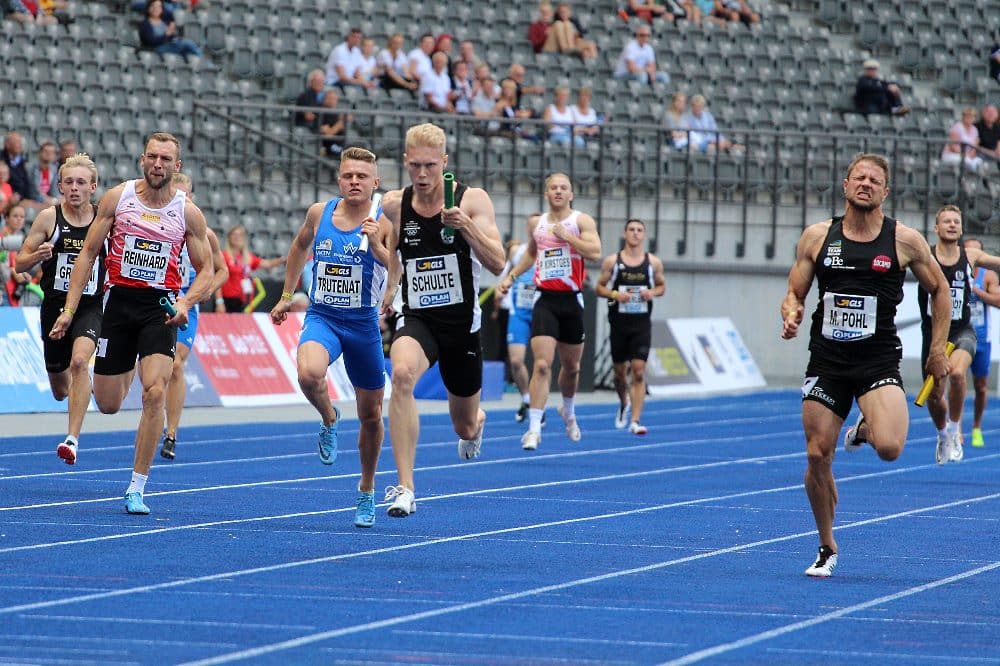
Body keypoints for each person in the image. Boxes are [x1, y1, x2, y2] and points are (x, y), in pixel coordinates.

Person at [780, 153, 951, 577]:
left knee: (891, 448)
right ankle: (826, 544)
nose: (866, 184)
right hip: (828, 359)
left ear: (885, 192)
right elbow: (795, 291)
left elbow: (941, 290)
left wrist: (936, 349)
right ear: (845, 185)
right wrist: (790, 312)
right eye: (860, 177)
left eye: (875, 180)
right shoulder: (818, 237)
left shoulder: (905, 240)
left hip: (876, 359)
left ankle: (861, 429)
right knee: (818, 454)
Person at [49, 132, 215, 515]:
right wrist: (71, 310)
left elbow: (207, 270)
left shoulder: (187, 211)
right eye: (152, 157)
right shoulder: (117, 198)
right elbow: (88, 254)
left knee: (155, 390)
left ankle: (137, 485)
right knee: (108, 404)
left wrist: (186, 301)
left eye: (166, 159)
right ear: (143, 160)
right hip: (119, 303)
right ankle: (116, 381)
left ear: (178, 166)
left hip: (160, 307)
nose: (158, 164)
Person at [380, 122, 505, 517]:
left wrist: (465, 227)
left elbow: (499, 263)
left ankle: (477, 419)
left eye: (430, 166)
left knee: (463, 427)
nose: (421, 174)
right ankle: (405, 487)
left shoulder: (472, 201)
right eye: (414, 165)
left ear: (444, 163)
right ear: (405, 161)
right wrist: (388, 287)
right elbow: (390, 254)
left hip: (461, 328)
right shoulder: (393, 204)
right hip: (418, 318)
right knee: (401, 375)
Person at [270, 146, 392, 528]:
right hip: (323, 316)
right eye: (347, 175)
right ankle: (328, 417)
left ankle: (367, 490)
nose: (354, 181)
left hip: (362, 324)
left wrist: (376, 245)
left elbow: (397, 267)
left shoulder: (383, 219)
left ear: (376, 182)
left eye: (362, 176)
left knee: (371, 415)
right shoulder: (319, 213)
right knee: (308, 373)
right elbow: (297, 248)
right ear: (339, 180)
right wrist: (287, 296)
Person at [497, 173, 602, 451]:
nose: (558, 191)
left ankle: (568, 410)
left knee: (572, 367)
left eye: (563, 188)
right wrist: (512, 276)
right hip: (545, 300)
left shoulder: (580, 221)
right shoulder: (540, 224)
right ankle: (533, 428)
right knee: (541, 365)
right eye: (553, 188)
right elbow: (531, 253)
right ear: (546, 194)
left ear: (571, 194)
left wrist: (568, 237)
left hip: (571, 300)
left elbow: (595, 252)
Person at [13, 154, 103, 464]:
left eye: (81, 183)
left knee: (80, 362)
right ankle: (76, 387)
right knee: (59, 390)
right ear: (60, 186)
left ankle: (72, 439)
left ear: (93, 187)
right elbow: (19, 264)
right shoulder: (49, 219)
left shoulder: (103, 219)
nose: (75, 188)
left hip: (89, 306)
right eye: (69, 183)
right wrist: (37, 255)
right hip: (53, 307)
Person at [918, 205, 1000, 464]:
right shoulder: (924, 255)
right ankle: (942, 433)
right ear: (936, 228)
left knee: (956, 373)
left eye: (956, 221)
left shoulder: (971, 255)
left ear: (961, 228)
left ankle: (955, 430)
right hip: (933, 335)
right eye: (946, 221)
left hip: (963, 330)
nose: (952, 225)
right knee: (934, 395)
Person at [159, 173, 228, 461]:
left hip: (187, 303)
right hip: (155, 300)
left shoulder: (204, 233)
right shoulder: (155, 226)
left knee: (175, 365)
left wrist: (206, 290)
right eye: (177, 196)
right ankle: (152, 419)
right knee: (150, 372)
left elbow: (222, 270)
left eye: (186, 197)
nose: (182, 202)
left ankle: (171, 432)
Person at [594, 218, 665, 435]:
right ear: (625, 234)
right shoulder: (612, 262)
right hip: (618, 324)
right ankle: (623, 401)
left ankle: (635, 420)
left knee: (639, 371)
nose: (635, 233)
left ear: (644, 235)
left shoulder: (652, 263)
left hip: (641, 324)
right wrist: (616, 294)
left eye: (639, 230)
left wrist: (650, 293)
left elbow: (662, 286)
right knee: (619, 373)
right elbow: (599, 287)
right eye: (631, 230)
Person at [496, 229, 539, 422]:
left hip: (542, 312)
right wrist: (502, 286)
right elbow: (503, 271)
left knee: (542, 363)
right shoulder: (517, 251)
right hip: (519, 312)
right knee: (515, 361)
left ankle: (539, 405)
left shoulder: (552, 251)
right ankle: (527, 398)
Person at [963, 237, 1000, 449]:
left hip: (981, 338)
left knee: (981, 386)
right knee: (956, 380)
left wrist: (977, 292)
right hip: (959, 335)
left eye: (977, 252)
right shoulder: (955, 272)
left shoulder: (988, 276)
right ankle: (955, 427)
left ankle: (976, 427)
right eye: (969, 251)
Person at [217, 225, 285, 312]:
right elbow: (218, 280)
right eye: (234, 235)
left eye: (240, 235)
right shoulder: (224, 256)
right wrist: (219, 301)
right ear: (229, 237)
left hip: (243, 300)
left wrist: (283, 260)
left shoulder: (247, 258)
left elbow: (267, 264)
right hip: (227, 300)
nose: (237, 238)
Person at [138, 0, 204, 58]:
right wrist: (167, 34)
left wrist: (173, 35)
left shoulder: (164, 22)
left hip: (168, 46)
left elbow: (170, 37)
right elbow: (151, 42)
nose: (156, 8)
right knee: (188, 43)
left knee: (188, 52)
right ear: (148, 8)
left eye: (159, 6)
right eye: (153, 6)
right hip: (155, 48)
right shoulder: (145, 24)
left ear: (161, 9)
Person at [940, 107, 983, 173]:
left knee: (979, 161)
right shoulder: (957, 127)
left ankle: (975, 181)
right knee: (967, 161)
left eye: (972, 117)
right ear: (963, 117)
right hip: (951, 154)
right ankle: (963, 180)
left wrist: (971, 154)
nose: (970, 118)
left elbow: (975, 147)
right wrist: (966, 155)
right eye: (968, 116)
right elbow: (953, 147)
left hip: (967, 156)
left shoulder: (975, 130)